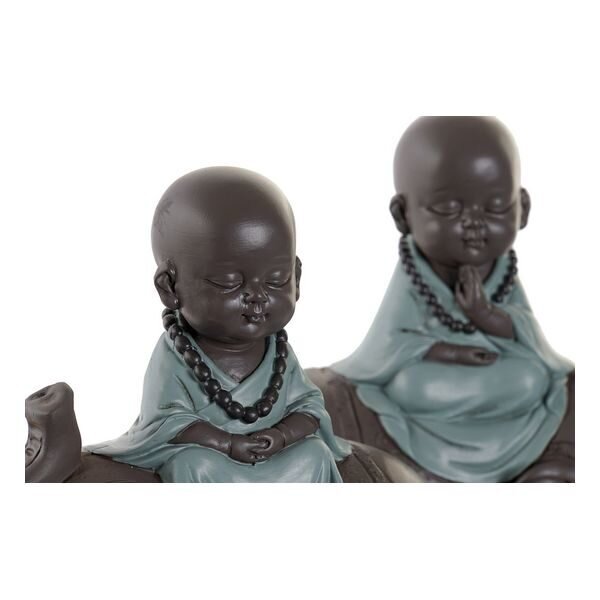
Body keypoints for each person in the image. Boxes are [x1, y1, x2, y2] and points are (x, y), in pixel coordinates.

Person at [309, 117, 574, 483]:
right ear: (403, 215)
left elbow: (535, 349)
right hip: (423, 389)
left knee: (535, 378)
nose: (474, 222)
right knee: (406, 386)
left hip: (512, 388)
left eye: (496, 207)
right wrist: (449, 352)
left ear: (523, 207)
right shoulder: (414, 276)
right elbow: (387, 347)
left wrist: (486, 315)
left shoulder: (502, 274)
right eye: (449, 209)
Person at [86, 167, 352, 482]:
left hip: (277, 457)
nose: (258, 297)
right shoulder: (175, 355)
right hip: (214, 458)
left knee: (315, 452)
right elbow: (166, 422)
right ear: (169, 287)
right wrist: (227, 443)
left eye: (277, 280)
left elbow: (309, 406)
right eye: (228, 283)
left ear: (297, 278)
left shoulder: (278, 352)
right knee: (191, 463)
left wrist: (281, 436)